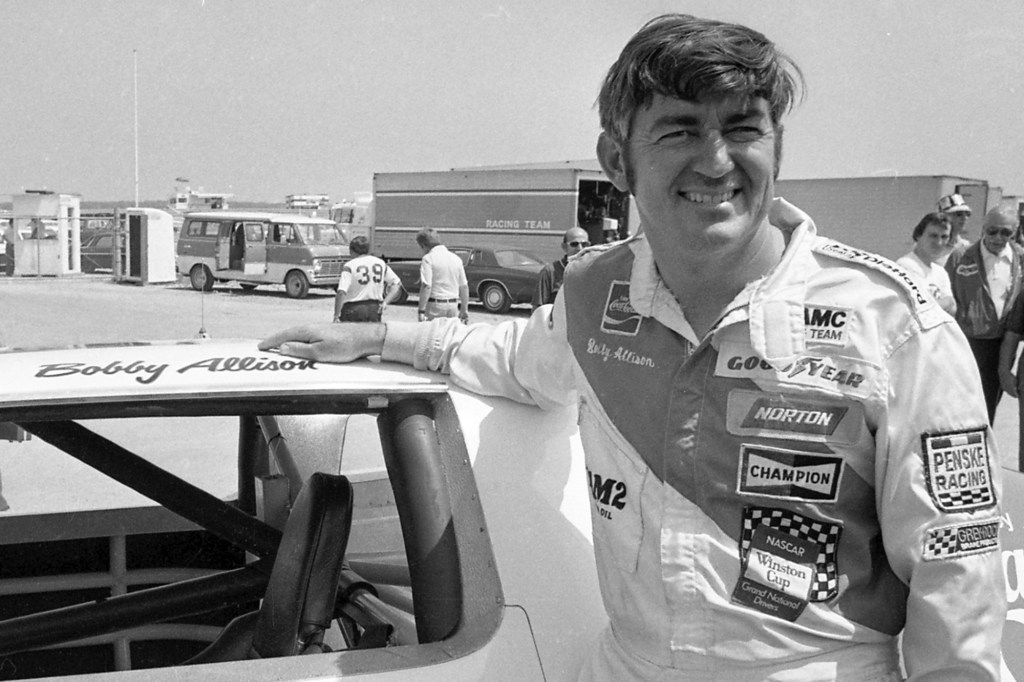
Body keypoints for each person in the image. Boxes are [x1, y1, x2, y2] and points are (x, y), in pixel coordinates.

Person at [261, 14, 1004, 681]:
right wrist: (377, 332)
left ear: (778, 149)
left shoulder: (897, 326)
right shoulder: (592, 296)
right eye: (680, 130)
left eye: (743, 128)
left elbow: (958, 575)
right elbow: (508, 357)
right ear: (616, 160)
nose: (716, 162)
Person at [946, 204, 1024, 423]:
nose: (998, 238)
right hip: (968, 341)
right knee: (960, 404)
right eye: (992, 231)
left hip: (1004, 342)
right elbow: (945, 294)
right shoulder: (961, 256)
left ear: (1014, 232)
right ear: (983, 229)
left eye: (1005, 232)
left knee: (988, 405)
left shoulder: (1019, 258)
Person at [895, 212, 956, 315]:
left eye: (944, 237)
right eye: (933, 236)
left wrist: (942, 303)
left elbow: (953, 308)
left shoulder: (940, 272)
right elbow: (920, 309)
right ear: (918, 235)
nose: (939, 242)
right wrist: (945, 302)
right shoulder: (906, 266)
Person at [332, 235, 402, 322]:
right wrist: (385, 302)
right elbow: (397, 283)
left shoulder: (350, 265)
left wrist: (336, 315)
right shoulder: (380, 263)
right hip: (375, 308)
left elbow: (341, 292)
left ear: (351, 250)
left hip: (354, 308)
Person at [414, 228, 469, 323]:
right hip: (453, 305)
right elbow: (464, 286)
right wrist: (464, 309)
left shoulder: (428, 259)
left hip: (435, 305)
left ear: (424, 246)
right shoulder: (456, 259)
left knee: (431, 336)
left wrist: (421, 310)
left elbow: (426, 286)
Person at [532, 227, 591, 309]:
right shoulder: (550, 272)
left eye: (585, 244)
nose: (580, 248)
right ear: (564, 247)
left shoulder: (593, 271)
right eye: (574, 244)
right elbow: (538, 310)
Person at [937, 192, 972, 264]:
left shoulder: (966, 247)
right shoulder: (932, 244)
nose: (964, 218)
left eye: (967, 214)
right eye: (959, 214)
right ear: (943, 217)